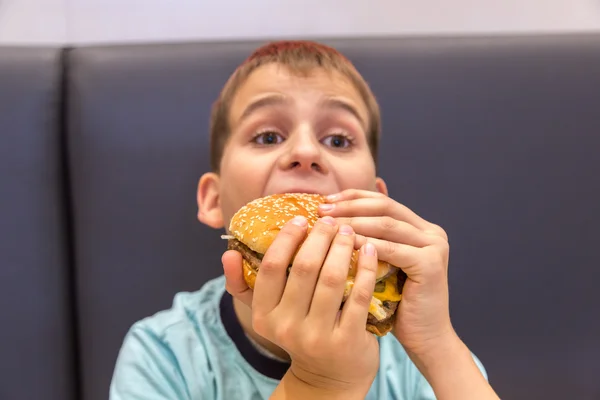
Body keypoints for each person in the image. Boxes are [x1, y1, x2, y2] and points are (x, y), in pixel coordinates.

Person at [109, 40, 500, 400]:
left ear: (376, 202)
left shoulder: (412, 355)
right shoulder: (163, 353)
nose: (306, 151)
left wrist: (436, 345)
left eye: (338, 140)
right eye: (266, 136)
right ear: (213, 200)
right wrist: (321, 384)